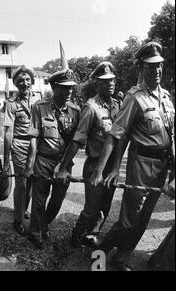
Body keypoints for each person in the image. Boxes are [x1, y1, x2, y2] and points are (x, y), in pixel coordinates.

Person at [89, 42, 175, 271]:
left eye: (159, 66)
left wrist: (173, 169)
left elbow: (172, 135)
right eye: (150, 67)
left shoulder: (166, 98)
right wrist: (106, 169)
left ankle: (121, 257)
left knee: (144, 219)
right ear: (141, 69)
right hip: (142, 164)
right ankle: (99, 251)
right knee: (129, 219)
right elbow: (117, 135)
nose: (156, 71)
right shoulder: (135, 97)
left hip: (162, 165)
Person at [56, 62, 120, 247]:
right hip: (95, 166)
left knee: (105, 207)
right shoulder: (91, 108)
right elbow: (78, 139)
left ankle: (91, 235)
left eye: (112, 80)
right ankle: (75, 239)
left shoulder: (117, 105)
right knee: (91, 209)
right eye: (105, 82)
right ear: (97, 84)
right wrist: (63, 166)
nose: (111, 84)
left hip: (112, 166)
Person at [26, 68, 80, 248]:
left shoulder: (75, 110)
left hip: (64, 162)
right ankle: (36, 233)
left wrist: (64, 165)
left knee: (57, 199)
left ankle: (44, 224)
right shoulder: (39, 107)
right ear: (54, 87)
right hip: (43, 160)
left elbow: (75, 141)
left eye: (71, 88)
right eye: (64, 88)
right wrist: (30, 164)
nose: (69, 92)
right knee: (39, 199)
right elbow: (34, 138)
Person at [3, 65, 38, 235]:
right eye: (21, 81)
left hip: (37, 146)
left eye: (27, 80)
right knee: (22, 184)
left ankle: (24, 209)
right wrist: (5, 160)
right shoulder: (11, 104)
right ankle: (17, 220)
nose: (24, 83)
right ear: (16, 84)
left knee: (32, 182)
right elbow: (8, 132)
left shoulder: (39, 99)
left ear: (32, 81)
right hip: (20, 146)